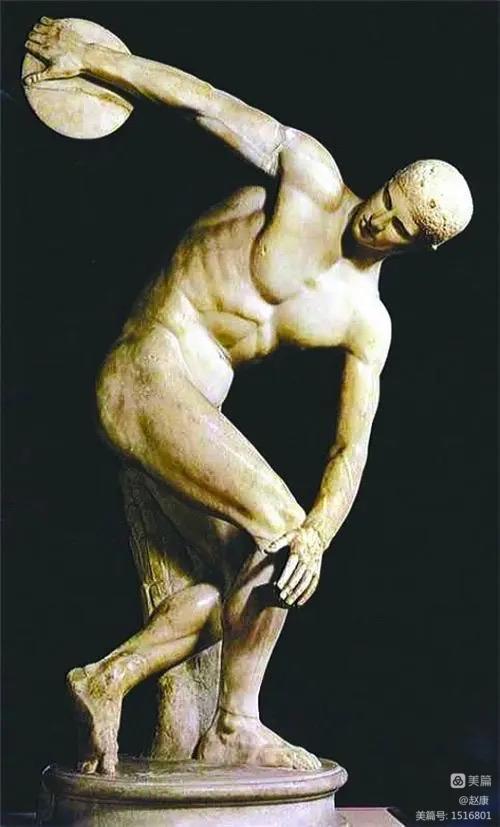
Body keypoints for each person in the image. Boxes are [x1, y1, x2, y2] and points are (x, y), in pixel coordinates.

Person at [25, 16, 473, 776]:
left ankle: (105, 681)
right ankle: (236, 724)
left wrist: (318, 536)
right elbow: (202, 103)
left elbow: (350, 447)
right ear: (389, 176)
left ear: (420, 247)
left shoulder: (365, 322)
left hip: (188, 412)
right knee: (277, 526)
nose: (378, 219)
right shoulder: (310, 176)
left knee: (251, 574)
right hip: (146, 367)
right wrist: (93, 57)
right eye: (390, 197)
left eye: (401, 226)